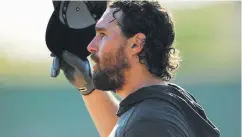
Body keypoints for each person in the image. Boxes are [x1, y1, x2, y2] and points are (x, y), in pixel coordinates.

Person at [49, 1, 220, 137]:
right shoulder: (160, 106)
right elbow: (124, 128)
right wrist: (87, 86)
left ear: (136, 44)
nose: (91, 46)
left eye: (102, 35)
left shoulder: (150, 123)